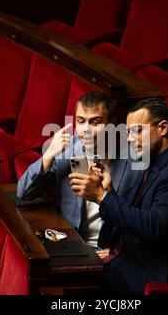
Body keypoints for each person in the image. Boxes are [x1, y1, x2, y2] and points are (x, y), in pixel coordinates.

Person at [69, 98, 168, 294]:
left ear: (163, 128)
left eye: (136, 131)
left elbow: (154, 227)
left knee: (69, 287)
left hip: (151, 278)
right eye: (127, 132)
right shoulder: (153, 163)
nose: (129, 139)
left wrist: (102, 197)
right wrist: (109, 193)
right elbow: (135, 217)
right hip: (127, 262)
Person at [17, 91, 141, 251]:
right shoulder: (68, 151)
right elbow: (24, 193)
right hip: (71, 244)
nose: (86, 130)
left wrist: (115, 251)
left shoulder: (132, 157)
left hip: (113, 249)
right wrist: (48, 156)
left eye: (95, 122)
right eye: (81, 121)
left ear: (111, 124)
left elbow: (137, 217)